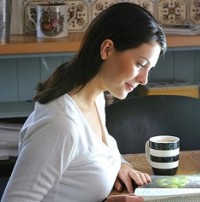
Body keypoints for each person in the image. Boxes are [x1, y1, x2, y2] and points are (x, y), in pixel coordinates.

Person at [1, 2, 166, 202]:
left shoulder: (96, 96)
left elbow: (94, 152)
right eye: (140, 64)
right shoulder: (60, 124)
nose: (144, 79)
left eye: (150, 69)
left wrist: (119, 165)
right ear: (107, 49)